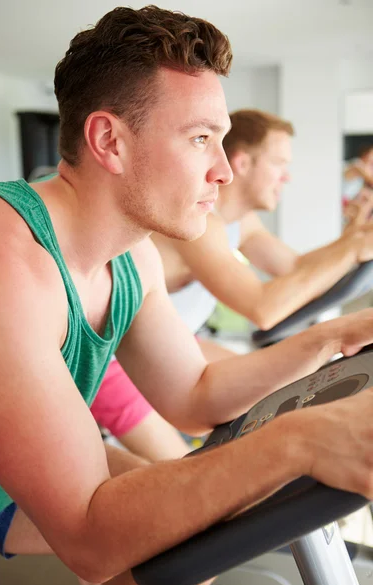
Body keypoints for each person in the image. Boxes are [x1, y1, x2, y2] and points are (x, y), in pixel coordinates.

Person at [0, 7, 373, 585]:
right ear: (109, 140)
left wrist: (328, 340)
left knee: (188, 530)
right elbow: (89, 532)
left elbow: (193, 392)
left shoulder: (132, 259)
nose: (223, 171)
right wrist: (301, 441)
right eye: (200, 139)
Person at [90, 108, 373, 462]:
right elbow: (262, 307)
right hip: (116, 357)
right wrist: (351, 248)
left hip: (172, 339)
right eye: (278, 163)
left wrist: (355, 238)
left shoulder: (243, 223)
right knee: (186, 469)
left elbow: (297, 268)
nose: (286, 177)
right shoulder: (200, 224)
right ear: (242, 163)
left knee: (279, 391)